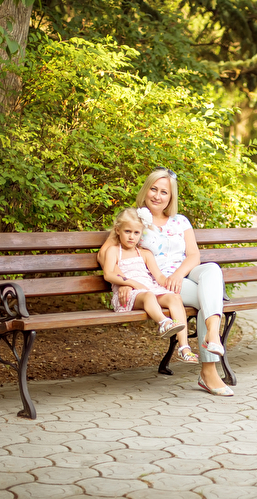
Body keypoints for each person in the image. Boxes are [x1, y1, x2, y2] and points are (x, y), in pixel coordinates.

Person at [98, 168, 233, 396]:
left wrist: (178, 275)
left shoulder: (180, 221)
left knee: (211, 269)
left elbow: (194, 255)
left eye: (164, 192)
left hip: (183, 276)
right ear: (146, 190)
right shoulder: (135, 219)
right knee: (207, 302)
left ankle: (212, 334)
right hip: (158, 283)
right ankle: (209, 372)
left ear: (171, 197)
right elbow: (105, 255)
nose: (157, 196)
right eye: (154, 189)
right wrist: (125, 283)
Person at [101, 208, 189, 342]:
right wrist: (132, 283)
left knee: (174, 298)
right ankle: (164, 323)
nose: (132, 237)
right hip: (128, 296)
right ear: (118, 230)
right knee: (148, 295)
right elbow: (108, 274)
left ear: (141, 233)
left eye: (136, 232)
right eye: (127, 231)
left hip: (148, 290)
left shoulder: (145, 254)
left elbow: (159, 277)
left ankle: (184, 347)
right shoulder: (113, 251)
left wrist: (169, 283)